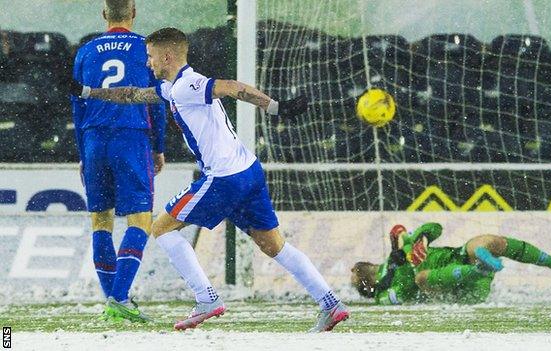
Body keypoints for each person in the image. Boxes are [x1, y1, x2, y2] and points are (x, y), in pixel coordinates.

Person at [73, 27, 349, 332]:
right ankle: (330, 303)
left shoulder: (188, 85)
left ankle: (206, 299)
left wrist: (276, 107)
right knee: (274, 246)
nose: (148, 63)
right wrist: (87, 92)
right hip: (248, 171)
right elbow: (132, 95)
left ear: (166, 56)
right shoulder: (173, 87)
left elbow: (231, 87)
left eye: (151, 57)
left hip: (224, 178)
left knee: (162, 227)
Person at [70, 0, 166, 322]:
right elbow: (158, 100)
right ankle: (121, 297)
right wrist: (159, 147)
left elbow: (77, 105)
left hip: (94, 138)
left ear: (104, 14)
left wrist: (83, 153)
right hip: (131, 137)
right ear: (133, 13)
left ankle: (113, 303)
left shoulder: (85, 51)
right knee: (140, 220)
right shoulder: (145, 48)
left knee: (100, 223)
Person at [352, 223, 551, 305]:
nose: (353, 273)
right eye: (355, 280)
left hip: (461, 259)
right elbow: (404, 293)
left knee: (486, 242)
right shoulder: (381, 295)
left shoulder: (401, 250)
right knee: (421, 278)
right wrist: (399, 268)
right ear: (367, 287)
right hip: (460, 290)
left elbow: (436, 227)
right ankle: (479, 269)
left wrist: (422, 238)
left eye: (354, 273)